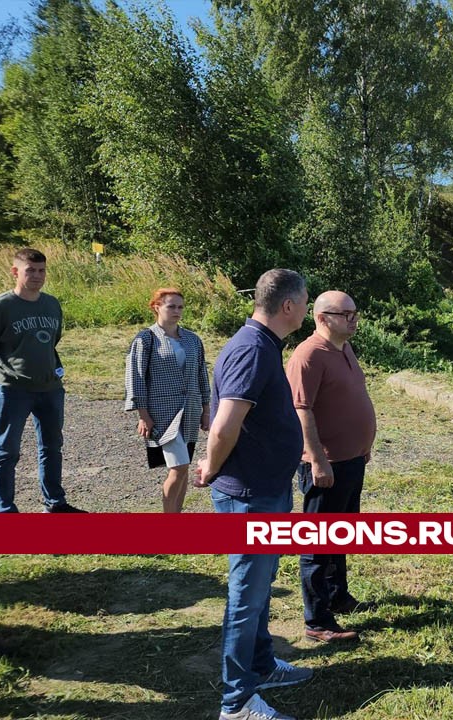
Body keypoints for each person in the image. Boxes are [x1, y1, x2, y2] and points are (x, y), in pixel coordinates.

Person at [193, 269, 313, 720]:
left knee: (259, 589)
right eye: (305, 300)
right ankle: (236, 702)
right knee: (246, 596)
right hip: (250, 496)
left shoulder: (263, 345)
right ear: (288, 306)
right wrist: (211, 466)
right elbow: (224, 426)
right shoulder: (250, 349)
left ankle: (262, 666)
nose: (307, 307)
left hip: (267, 489)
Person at [285, 290, 376, 643]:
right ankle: (317, 620)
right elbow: (300, 410)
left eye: (355, 312)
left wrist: (362, 446)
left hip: (351, 460)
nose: (354, 319)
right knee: (318, 543)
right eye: (346, 313)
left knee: (341, 533)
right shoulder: (309, 355)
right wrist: (318, 460)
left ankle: (338, 595)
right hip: (325, 465)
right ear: (322, 318)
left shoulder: (344, 347)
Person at [0, 248, 84, 513]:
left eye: (41, 270)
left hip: (50, 389)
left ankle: (55, 503)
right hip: (13, 389)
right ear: (15, 272)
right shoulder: (1, 306)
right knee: (7, 451)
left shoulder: (51, 304)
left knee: (52, 447)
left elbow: (53, 340)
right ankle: (3, 509)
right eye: (30, 270)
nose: (36, 276)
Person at [124, 288, 211, 512]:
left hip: (189, 410)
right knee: (179, 466)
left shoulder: (192, 340)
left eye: (180, 307)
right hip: (163, 413)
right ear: (156, 307)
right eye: (171, 306)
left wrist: (206, 408)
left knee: (183, 466)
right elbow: (136, 377)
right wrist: (143, 415)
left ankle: (175, 518)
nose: (177, 311)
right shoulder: (146, 339)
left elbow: (201, 374)